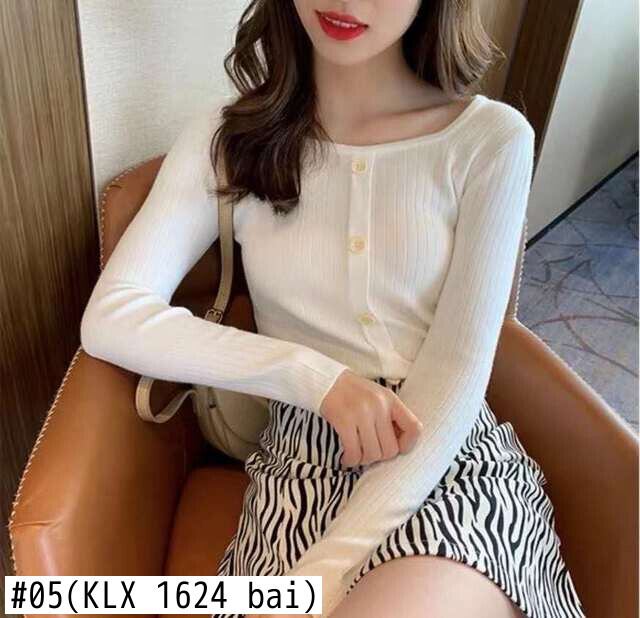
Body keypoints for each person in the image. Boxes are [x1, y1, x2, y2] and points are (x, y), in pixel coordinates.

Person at [80, 1, 586, 617]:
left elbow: (456, 369)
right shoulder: (227, 139)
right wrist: (314, 379)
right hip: (298, 468)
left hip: (443, 458)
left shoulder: (490, 140)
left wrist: (326, 568)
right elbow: (112, 315)